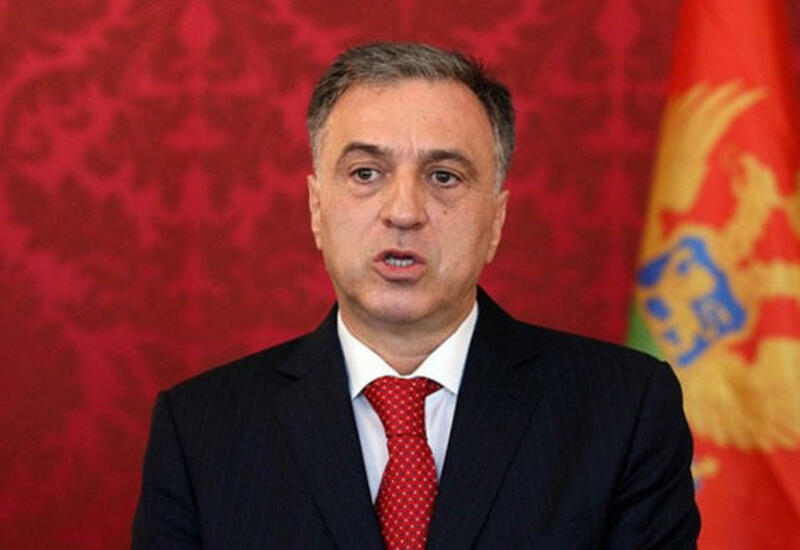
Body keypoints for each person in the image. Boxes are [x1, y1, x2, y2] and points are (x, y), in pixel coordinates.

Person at [132, 42, 700, 549]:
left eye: (444, 176)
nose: (403, 212)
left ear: (496, 221)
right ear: (316, 209)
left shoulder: (624, 410)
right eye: (365, 173)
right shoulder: (201, 430)